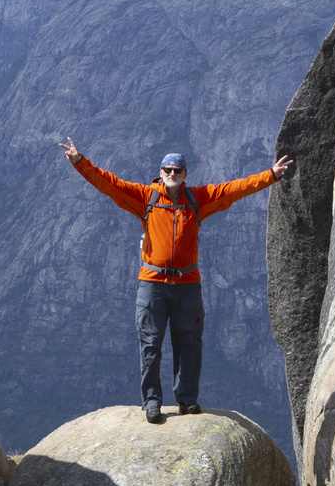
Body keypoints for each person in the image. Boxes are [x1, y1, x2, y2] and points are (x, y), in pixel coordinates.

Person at [59, 139, 293, 424]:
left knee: (189, 344)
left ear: (185, 174)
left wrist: (270, 175)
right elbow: (109, 184)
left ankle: (186, 400)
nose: (172, 173)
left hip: (187, 285)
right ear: (160, 172)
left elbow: (235, 189)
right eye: (168, 169)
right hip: (152, 284)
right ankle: (152, 402)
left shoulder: (198, 199)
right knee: (150, 344)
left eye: (177, 170)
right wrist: (80, 161)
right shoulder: (146, 197)